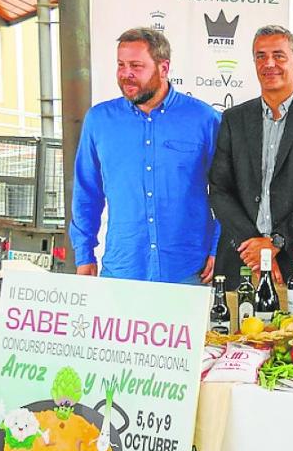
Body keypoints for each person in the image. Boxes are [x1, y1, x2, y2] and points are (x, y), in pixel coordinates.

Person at [71, 27, 219, 284]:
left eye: (136, 66)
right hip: (123, 270)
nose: (125, 74)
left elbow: (227, 191)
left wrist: (218, 248)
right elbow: (87, 193)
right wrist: (84, 255)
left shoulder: (205, 120)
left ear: (163, 68)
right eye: (121, 65)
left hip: (189, 271)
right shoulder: (99, 121)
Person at [210, 25, 293, 290]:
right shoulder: (234, 119)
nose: (269, 63)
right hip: (242, 259)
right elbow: (219, 189)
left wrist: (276, 242)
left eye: (278, 56)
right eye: (261, 56)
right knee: (236, 319)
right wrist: (255, 247)